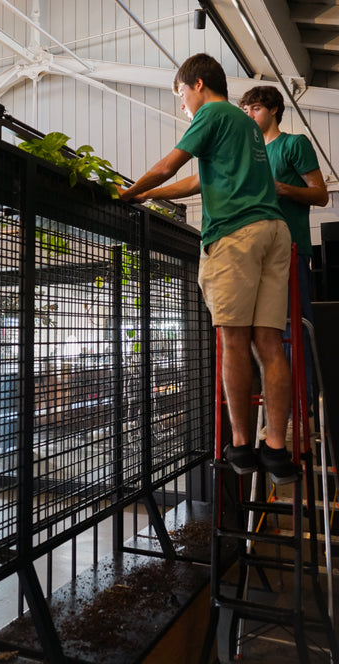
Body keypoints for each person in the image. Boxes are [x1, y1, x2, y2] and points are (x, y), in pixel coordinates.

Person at [119, 53, 297, 484]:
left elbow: (169, 165)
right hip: (275, 232)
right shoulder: (244, 125)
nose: (183, 105)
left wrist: (127, 193)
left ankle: (240, 443)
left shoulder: (212, 112)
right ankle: (276, 448)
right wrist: (150, 196)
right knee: (270, 344)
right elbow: (197, 181)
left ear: (198, 83)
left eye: (182, 94)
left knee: (233, 341)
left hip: (236, 234)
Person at [239, 86, 328, 422]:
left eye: (256, 108)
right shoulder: (246, 153)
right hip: (255, 253)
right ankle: (278, 413)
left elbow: (321, 195)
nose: (249, 114)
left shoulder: (294, 144)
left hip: (291, 250)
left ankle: (300, 413)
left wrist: (282, 189)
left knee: (295, 328)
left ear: (274, 110)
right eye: (245, 109)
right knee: (263, 332)